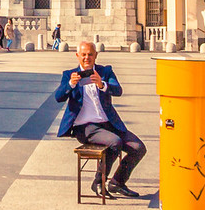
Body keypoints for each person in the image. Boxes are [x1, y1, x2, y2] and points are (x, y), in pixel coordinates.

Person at [55, 40, 146, 198]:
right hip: (85, 127)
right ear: (77, 56)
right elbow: (58, 97)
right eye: (83, 55)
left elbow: (118, 90)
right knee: (114, 142)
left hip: (108, 123)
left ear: (96, 55)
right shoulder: (69, 74)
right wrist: (70, 84)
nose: (87, 58)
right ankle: (98, 182)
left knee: (138, 148)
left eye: (90, 54)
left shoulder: (105, 72)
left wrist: (102, 84)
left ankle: (117, 182)